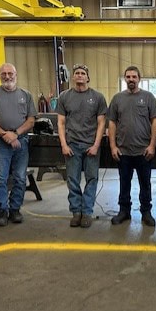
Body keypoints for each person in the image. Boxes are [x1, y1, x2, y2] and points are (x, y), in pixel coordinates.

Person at [0, 63, 37, 227]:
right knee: (0, 178)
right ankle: (2, 211)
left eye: (10, 73)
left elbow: (31, 120)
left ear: (16, 75)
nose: (7, 76)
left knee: (20, 177)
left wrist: (15, 134)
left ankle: (15, 209)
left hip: (21, 142)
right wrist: (5, 135)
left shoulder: (26, 95)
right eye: (4, 73)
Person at [108, 65, 156, 227]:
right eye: (128, 77)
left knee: (145, 184)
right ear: (125, 78)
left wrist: (152, 146)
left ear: (139, 79)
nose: (131, 79)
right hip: (123, 151)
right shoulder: (117, 99)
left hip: (143, 151)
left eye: (134, 77)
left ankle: (146, 212)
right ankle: (124, 211)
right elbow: (112, 123)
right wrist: (113, 146)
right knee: (124, 183)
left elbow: (155, 121)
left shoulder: (148, 97)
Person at [56, 64, 107, 228]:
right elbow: (61, 122)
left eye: (83, 73)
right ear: (73, 77)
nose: (79, 75)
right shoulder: (64, 97)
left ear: (87, 77)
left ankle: (87, 212)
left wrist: (96, 145)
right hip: (72, 145)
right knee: (73, 180)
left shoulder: (98, 97)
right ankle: (76, 212)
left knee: (92, 179)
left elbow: (102, 123)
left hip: (91, 146)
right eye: (77, 73)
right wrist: (64, 145)